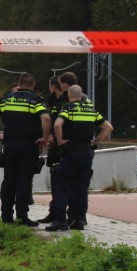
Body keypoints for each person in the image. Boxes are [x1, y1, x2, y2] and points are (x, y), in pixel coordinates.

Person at [0, 72, 50, 226]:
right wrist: (45, 138)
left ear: (20, 84)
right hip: (28, 146)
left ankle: (6, 216)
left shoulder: (7, 99)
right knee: (24, 180)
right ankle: (22, 217)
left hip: (9, 145)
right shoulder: (35, 101)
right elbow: (46, 118)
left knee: (9, 180)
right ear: (33, 85)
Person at [47, 83, 112, 232]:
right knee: (81, 188)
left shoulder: (68, 108)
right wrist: (95, 142)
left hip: (70, 150)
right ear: (81, 96)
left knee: (62, 185)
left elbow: (57, 125)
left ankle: (60, 220)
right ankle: (78, 220)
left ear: (70, 96)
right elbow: (108, 128)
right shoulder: (91, 110)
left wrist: (61, 141)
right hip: (86, 152)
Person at [36, 71, 79, 224]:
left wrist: (58, 137)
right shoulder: (54, 101)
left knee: (69, 183)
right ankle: (55, 212)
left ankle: (74, 216)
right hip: (56, 147)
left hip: (66, 146)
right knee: (56, 181)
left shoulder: (73, 101)